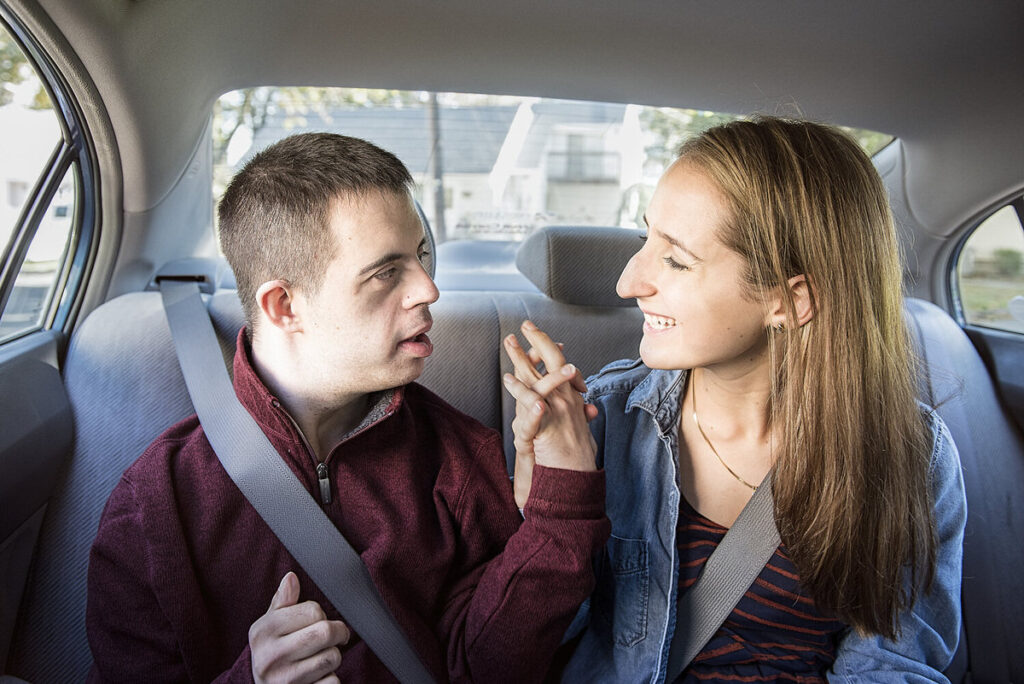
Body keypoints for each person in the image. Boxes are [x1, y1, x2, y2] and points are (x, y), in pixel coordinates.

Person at [86, 132, 610, 683]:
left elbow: (486, 670)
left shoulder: (459, 458)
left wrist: (560, 502)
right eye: (387, 272)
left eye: (422, 256)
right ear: (285, 306)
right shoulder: (158, 502)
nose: (429, 289)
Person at [502, 117, 966, 682]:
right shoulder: (600, 424)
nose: (627, 282)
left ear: (792, 302)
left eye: (675, 259)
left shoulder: (910, 457)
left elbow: (893, 664)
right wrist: (552, 509)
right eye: (644, 238)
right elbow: (523, 654)